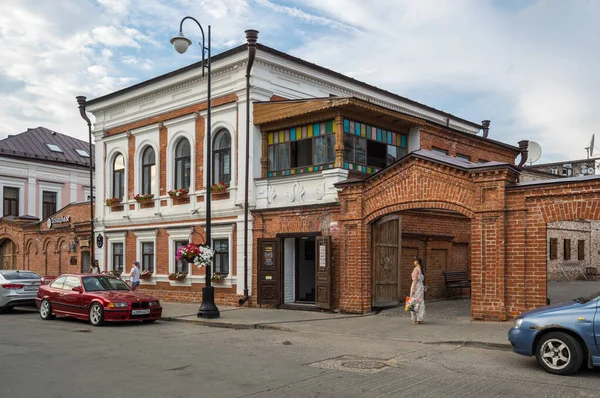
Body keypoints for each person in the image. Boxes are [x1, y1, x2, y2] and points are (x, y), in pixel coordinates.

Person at [409, 257, 426, 325]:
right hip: (420, 286)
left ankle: (415, 319)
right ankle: (420, 318)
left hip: (416, 286)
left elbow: (415, 279)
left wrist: (413, 288)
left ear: (417, 262)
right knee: (420, 301)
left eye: (414, 261)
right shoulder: (421, 269)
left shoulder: (416, 269)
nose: (414, 262)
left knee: (414, 301)